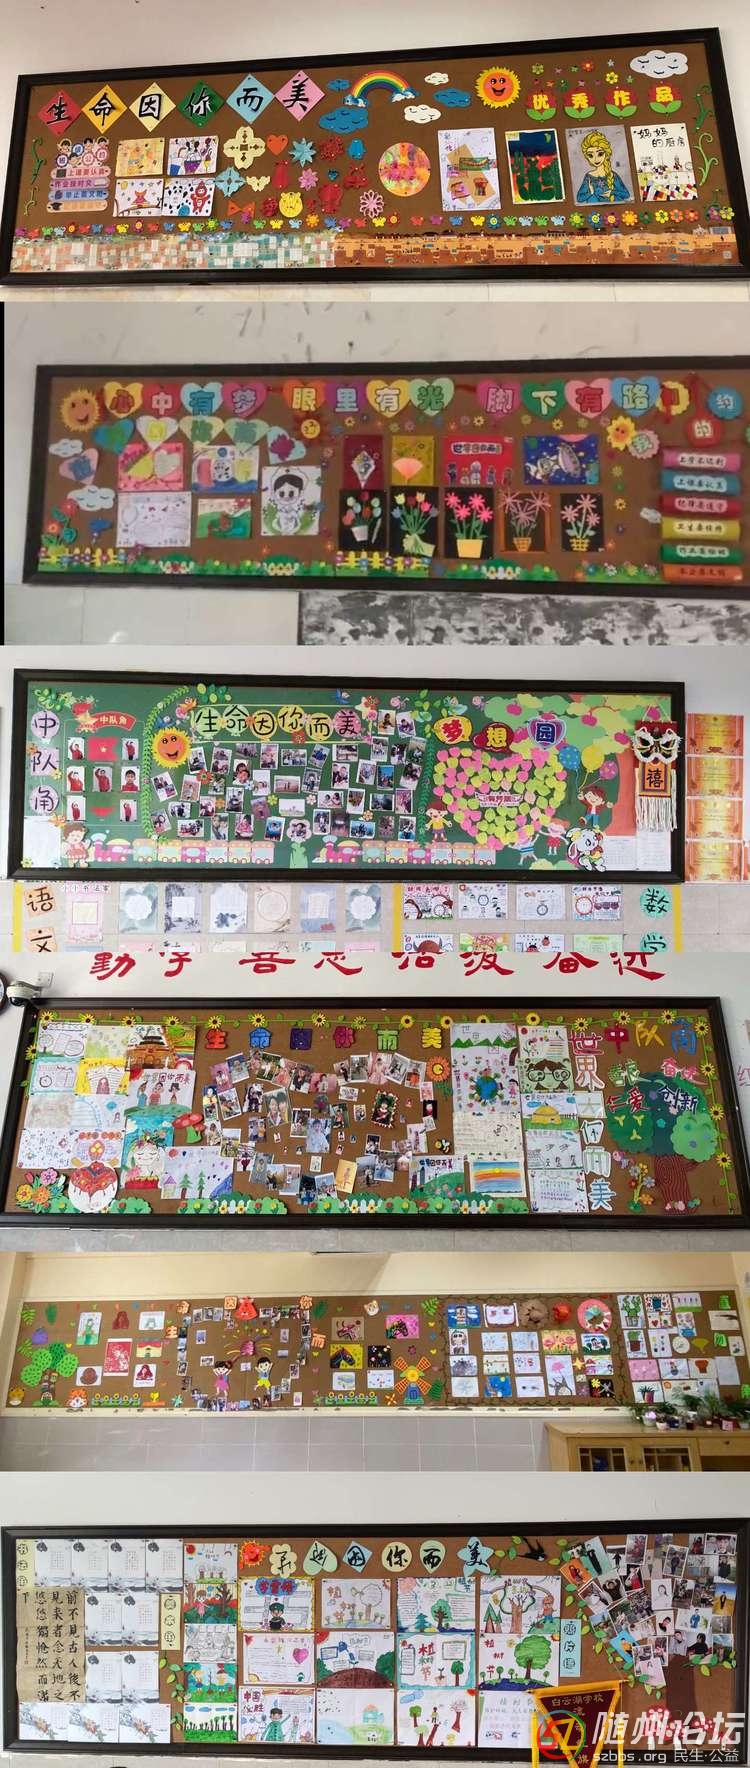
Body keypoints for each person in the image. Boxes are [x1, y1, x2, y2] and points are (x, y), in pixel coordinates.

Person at [575, 130, 630, 204]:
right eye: (590, 155)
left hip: (613, 209)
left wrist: (612, 192)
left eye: (600, 154)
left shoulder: (613, 175)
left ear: (606, 154)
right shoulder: (589, 177)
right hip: (594, 210)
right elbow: (579, 198)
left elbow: (626, 194)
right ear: (587, 157)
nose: (595, 159)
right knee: (592, 198)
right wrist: (590, 193)